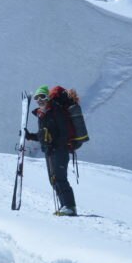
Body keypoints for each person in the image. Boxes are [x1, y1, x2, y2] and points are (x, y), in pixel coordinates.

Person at [25, 85, 77, 216]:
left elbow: (63, 133)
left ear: (47, 97)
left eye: (42, 96)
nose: (39, 100)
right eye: (37, 98)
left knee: (60, 178)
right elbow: (43, 135)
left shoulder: (56, 111)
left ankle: (70, 207)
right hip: (50, 151)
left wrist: (55, 145)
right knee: (53, 180)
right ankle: (64, 205)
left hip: (59, 150)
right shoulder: (42, 115)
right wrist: (30, 136)